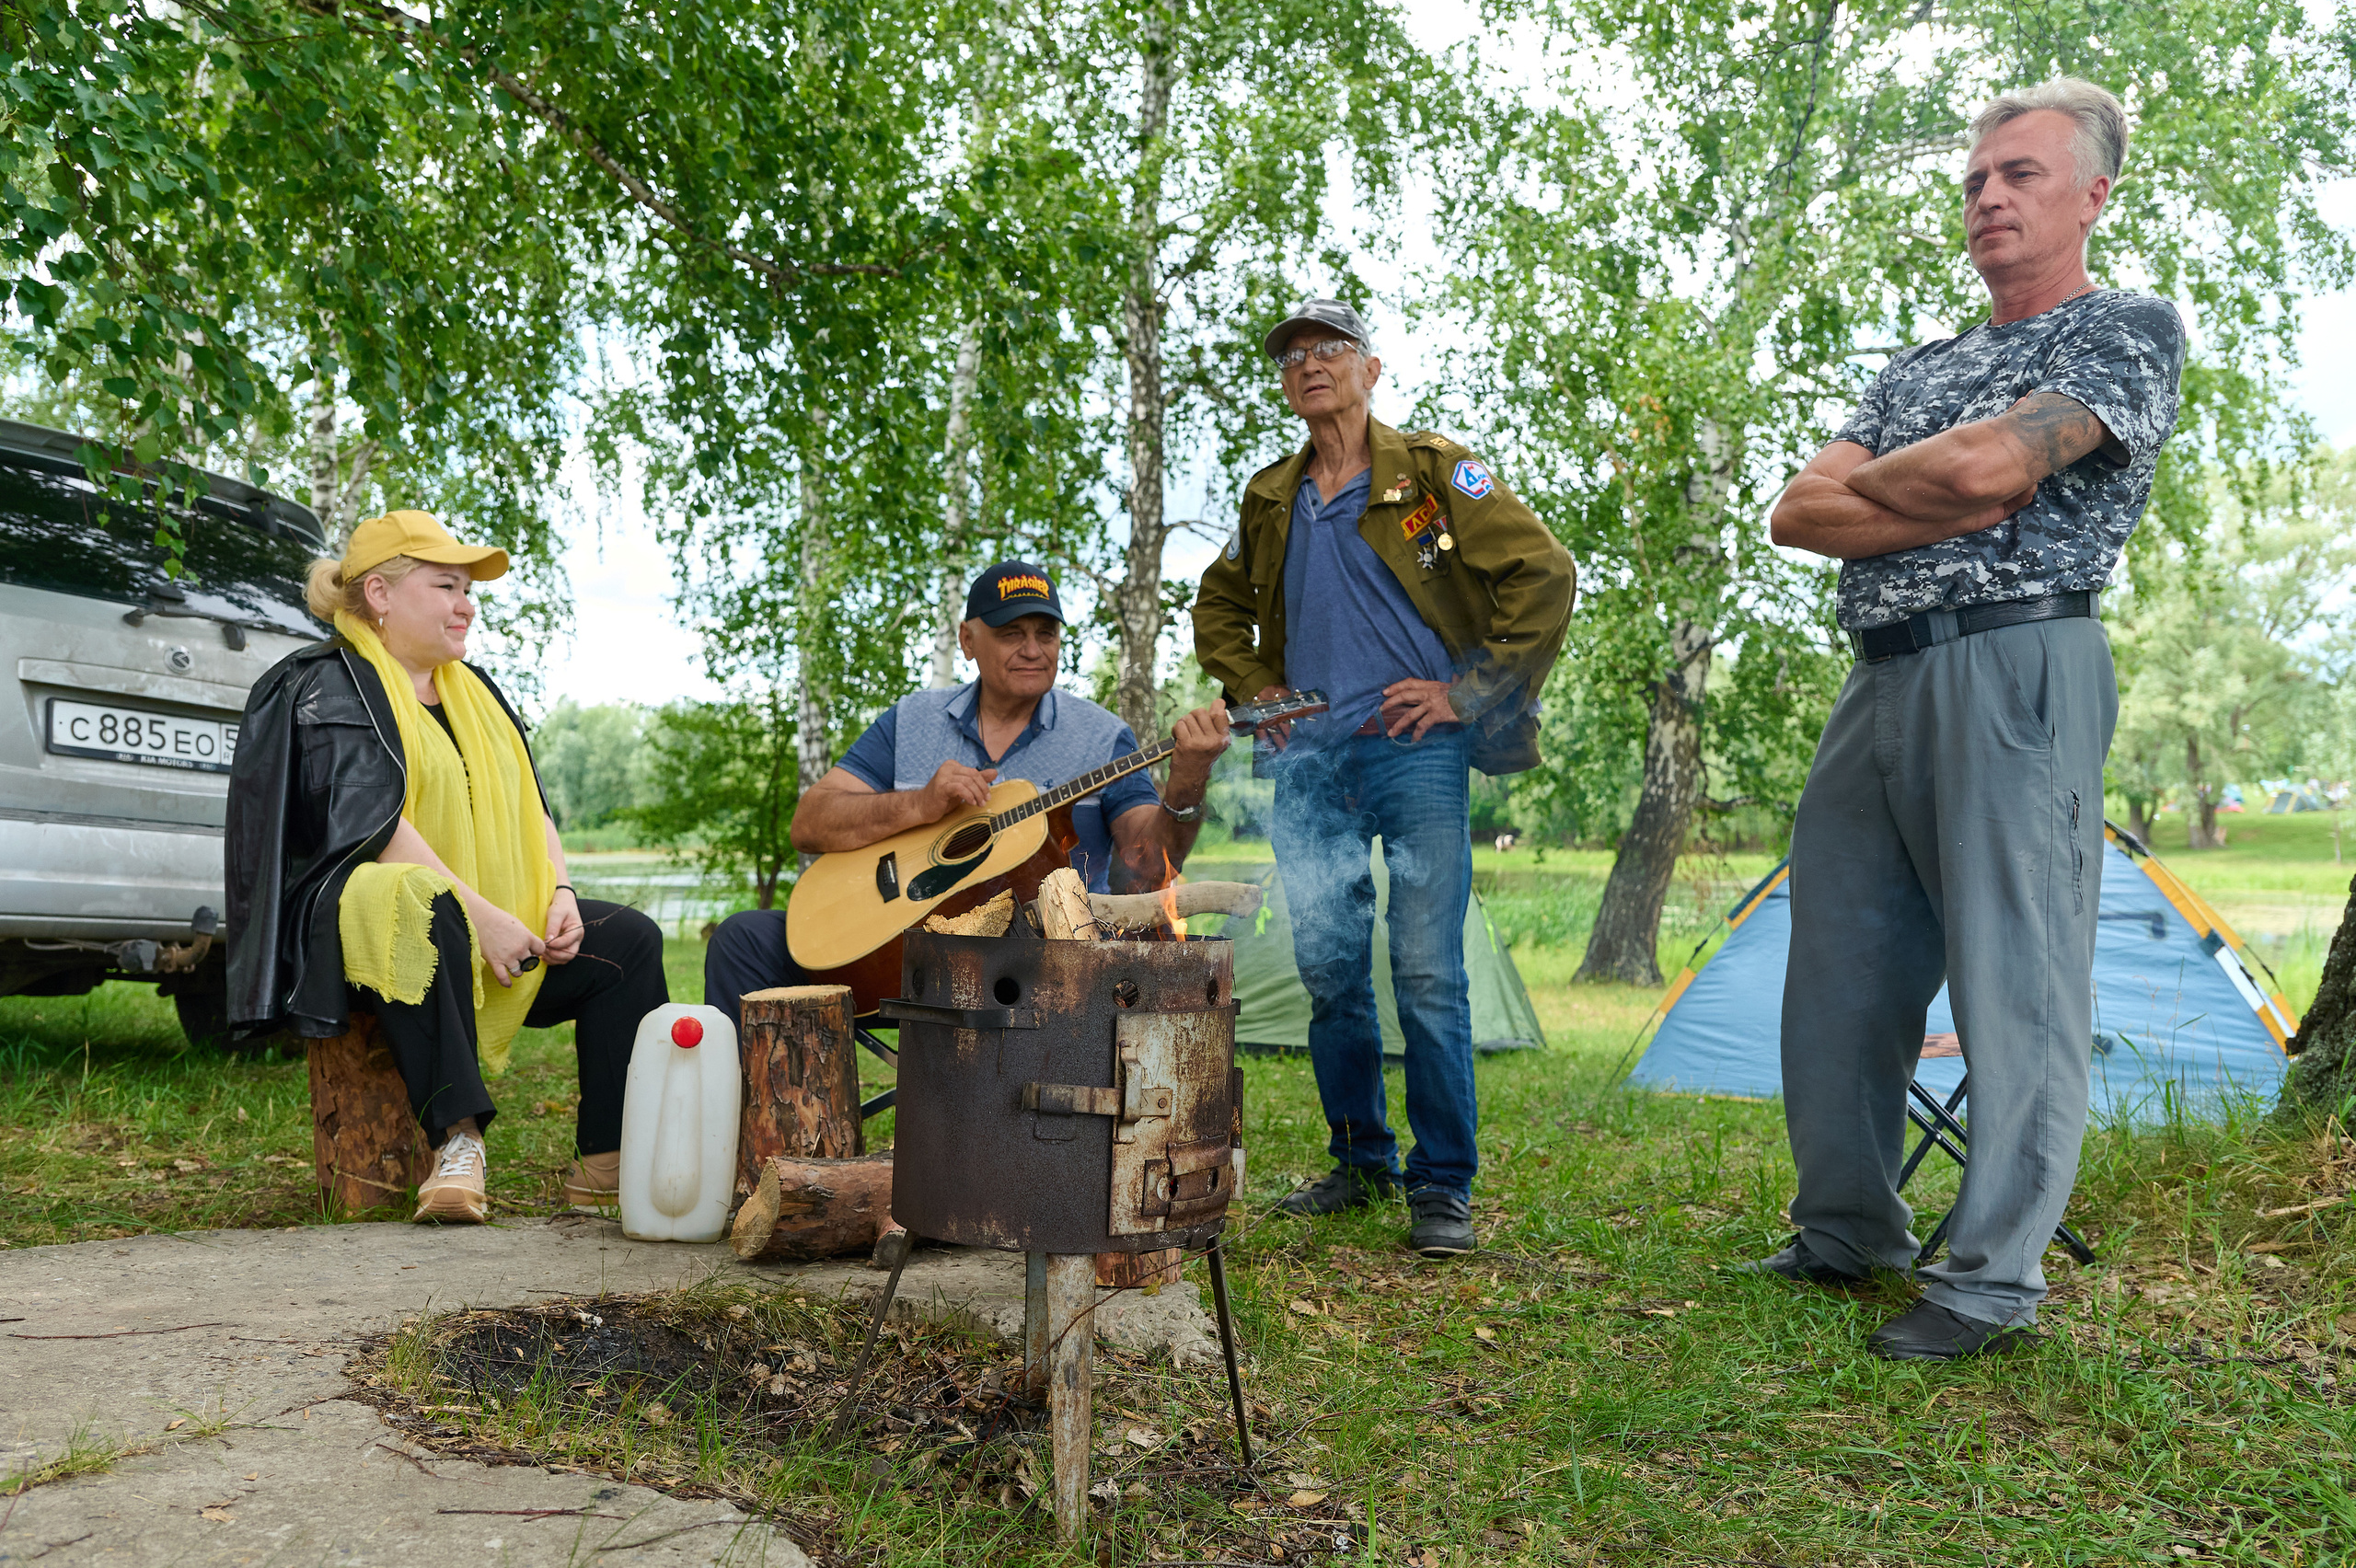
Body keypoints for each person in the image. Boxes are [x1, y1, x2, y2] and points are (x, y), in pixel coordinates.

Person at [1755, 79, 2186, 1359]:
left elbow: (1998, 467)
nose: (1990, 197)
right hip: (1876, 677)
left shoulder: (2123, 333)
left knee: (2017, 978)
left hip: (2019, 668)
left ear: (2093, 195)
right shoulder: (1925, 368)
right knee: (1837, 972)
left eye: (2023, 175)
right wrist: (1945, 489)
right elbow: (1797, 514)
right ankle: (1847, 1233)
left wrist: (1929, 481)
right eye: (1977, 180)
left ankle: (1992, 1282)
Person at [1193, 299, 1576, 1259]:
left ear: (1372, 369)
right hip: (1310, 764)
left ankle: (1441, 1186)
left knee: (1427, 973)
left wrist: (1466, 695)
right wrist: (1258, 692)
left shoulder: (1436, 478)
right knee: (1328, 973)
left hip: (1416, 754)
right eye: (1293, 360)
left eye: (1330, 352)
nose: (1310, 368)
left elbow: (1546, 574)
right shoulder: (1270, 496)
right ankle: (1359, 1159)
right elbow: (1216, 605)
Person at [226, 510, 670, 1223]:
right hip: (373, 941)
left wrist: (558, 890)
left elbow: (533, 808)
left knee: (630, 942)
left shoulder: (476, 691)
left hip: (481, 923)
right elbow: (373, 828)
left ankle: (607, 1163)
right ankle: (457, 1144)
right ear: (380, 594)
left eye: (468, 590)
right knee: (419, 898)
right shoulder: (327, 686)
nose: (467, 605)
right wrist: (485, 918)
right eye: (446, 586)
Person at [702, 561, 1233, 1021]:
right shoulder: (910, 720)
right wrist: (918, 804)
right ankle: (742, 1127)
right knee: (744, 937)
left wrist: (1188, 778)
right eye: (1011, 633)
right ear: (967, 640)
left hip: (1036, 957)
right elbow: (811, 822)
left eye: (1045, 634)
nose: (1032, 649)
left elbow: (1146, 863)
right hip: (904, 941)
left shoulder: (1103, 736)